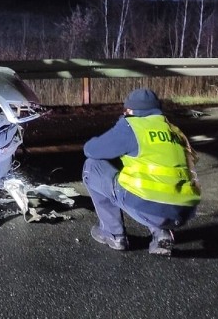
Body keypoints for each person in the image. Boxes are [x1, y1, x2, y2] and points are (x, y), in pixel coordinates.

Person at [82, 88, 201, 256]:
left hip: (151, 207)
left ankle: (113, 234)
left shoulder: (132, 125)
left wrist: (121, 124)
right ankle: (162, 232)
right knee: (158, 181)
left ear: (130, 110)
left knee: (92, 166)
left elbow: (92, 150)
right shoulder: (174, 130)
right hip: (184, 211)